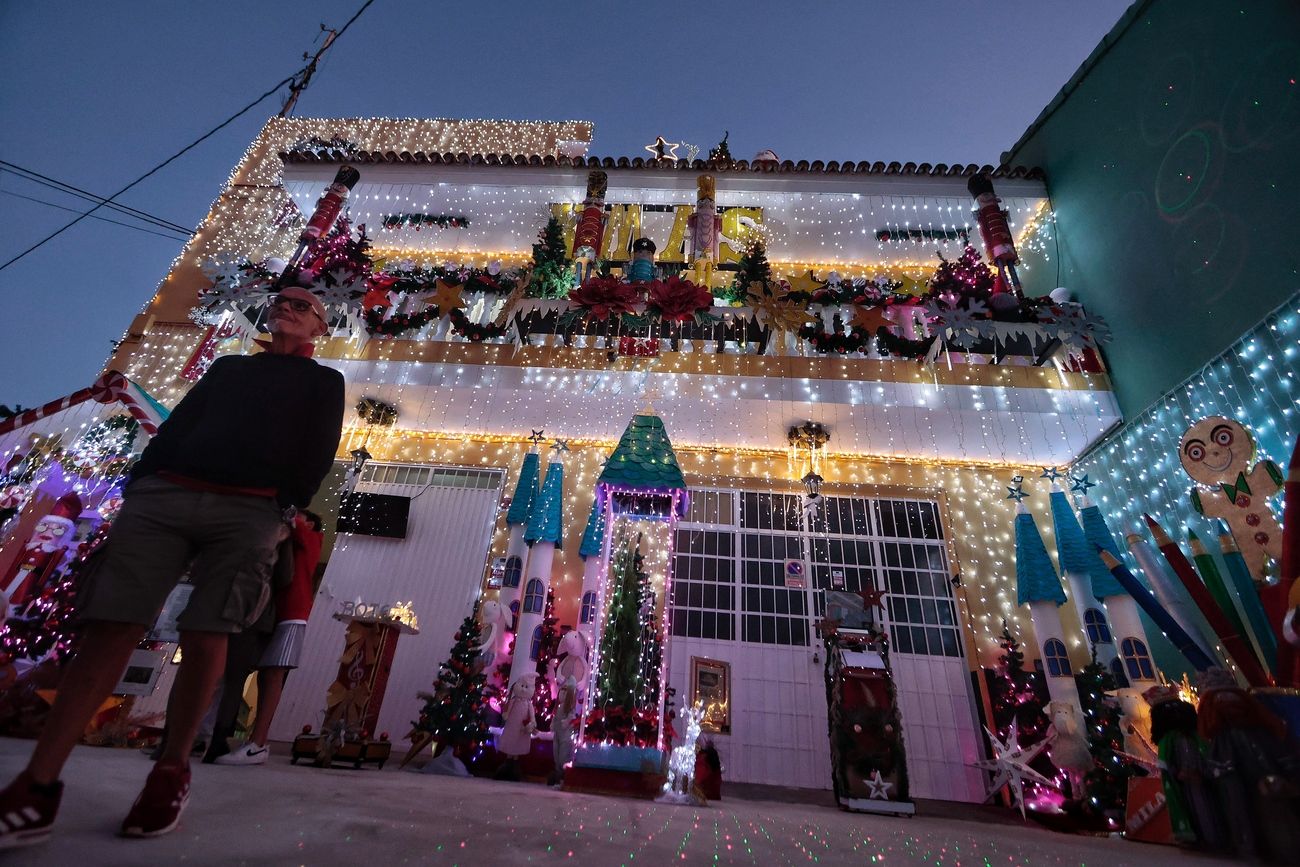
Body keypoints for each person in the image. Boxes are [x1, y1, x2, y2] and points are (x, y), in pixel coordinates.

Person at [0, 286, 344, 849]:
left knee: (210, 629)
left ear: (319, 328)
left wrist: (285, 504)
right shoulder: (230, 368)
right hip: (166, 497)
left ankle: (170, 771)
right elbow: (182, 423)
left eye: (303, 306)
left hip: (250, 508)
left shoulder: (323, 382)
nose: (286, 306)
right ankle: (37, 783)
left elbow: (319, 447)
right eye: (281, 299)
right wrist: (144, 482)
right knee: (113, 624)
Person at [216, 509, 325, 765]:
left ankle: (258, 743)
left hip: (292, 614)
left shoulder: (312, 539)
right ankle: (222, 733)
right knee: (250, 672)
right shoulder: (287, 540)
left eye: (301, 517)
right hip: (270, 612)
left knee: (273, 675)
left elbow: (291, 520)